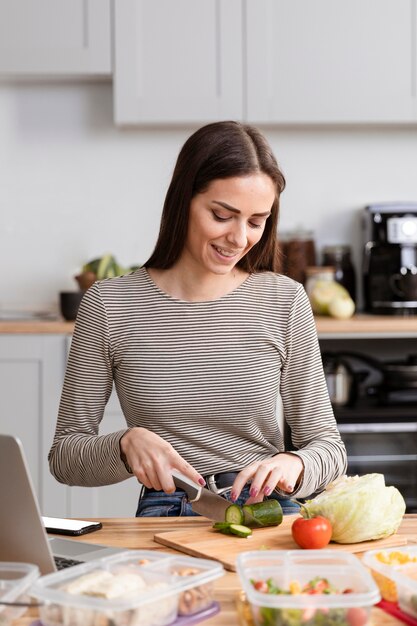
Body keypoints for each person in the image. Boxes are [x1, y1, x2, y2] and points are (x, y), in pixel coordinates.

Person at [49, 121, 347, 517]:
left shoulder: (284, 300)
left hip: (267, 511)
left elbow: (328, 447)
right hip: (168, 510)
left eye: (256, 221)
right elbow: (65, 457)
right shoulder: (110, 304)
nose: (240, 238)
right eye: (222, 215)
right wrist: (124, 444)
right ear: (183, 200)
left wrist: (297, 464)